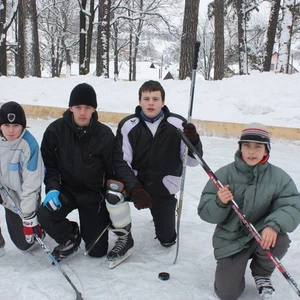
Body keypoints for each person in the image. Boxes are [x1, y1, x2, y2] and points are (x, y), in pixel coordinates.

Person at [105, 80, 203, 265]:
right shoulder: (128, 125)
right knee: (113, 194)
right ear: (140, 101)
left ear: (163, 102)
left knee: (167, 240)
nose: (151, 103)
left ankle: (163, 214)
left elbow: (192, 162)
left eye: (155, 99)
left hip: (163, 187)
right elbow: (121, 162)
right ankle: (125, 238)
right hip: (136, 185)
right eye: (146, 98)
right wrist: (135, 189)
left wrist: (194, 141)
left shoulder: (177, 123)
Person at [198, 123, 300, 300]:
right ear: (240, 148)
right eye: (247, 146)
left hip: (262, 235)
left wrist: (273, 226)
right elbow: (205, 212)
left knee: (280, 239)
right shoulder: (225, 174)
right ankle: (234, 270)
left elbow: (291, 206)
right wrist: (219, 202)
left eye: (257, 146)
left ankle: (262, 272)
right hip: (231, 240)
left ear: (266, 149)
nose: (251, 151)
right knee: (227, 294)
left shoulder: (279, 177)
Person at [37, 83, 114, 261]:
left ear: (94, 109)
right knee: (45, 214)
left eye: (87, 107)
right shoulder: (55, 131)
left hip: (93, 195)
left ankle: (92, 229)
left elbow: (112, 169)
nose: (82, 112)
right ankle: (70, 234)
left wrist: (112, 198)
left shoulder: (105, 134)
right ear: (70, 107)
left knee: (97, 251)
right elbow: (50, 166)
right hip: (66, 191)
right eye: (78, 107)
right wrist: (53, 188)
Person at [0, 101, 44, 254]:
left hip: (21, 196)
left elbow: (31, 185)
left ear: (23, 126)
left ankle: (40, 227)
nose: (11, 130)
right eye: (6, 125)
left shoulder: (29, 145)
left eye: (16, 126)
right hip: (3, 189)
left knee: (24, 245)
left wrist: (28, 217)